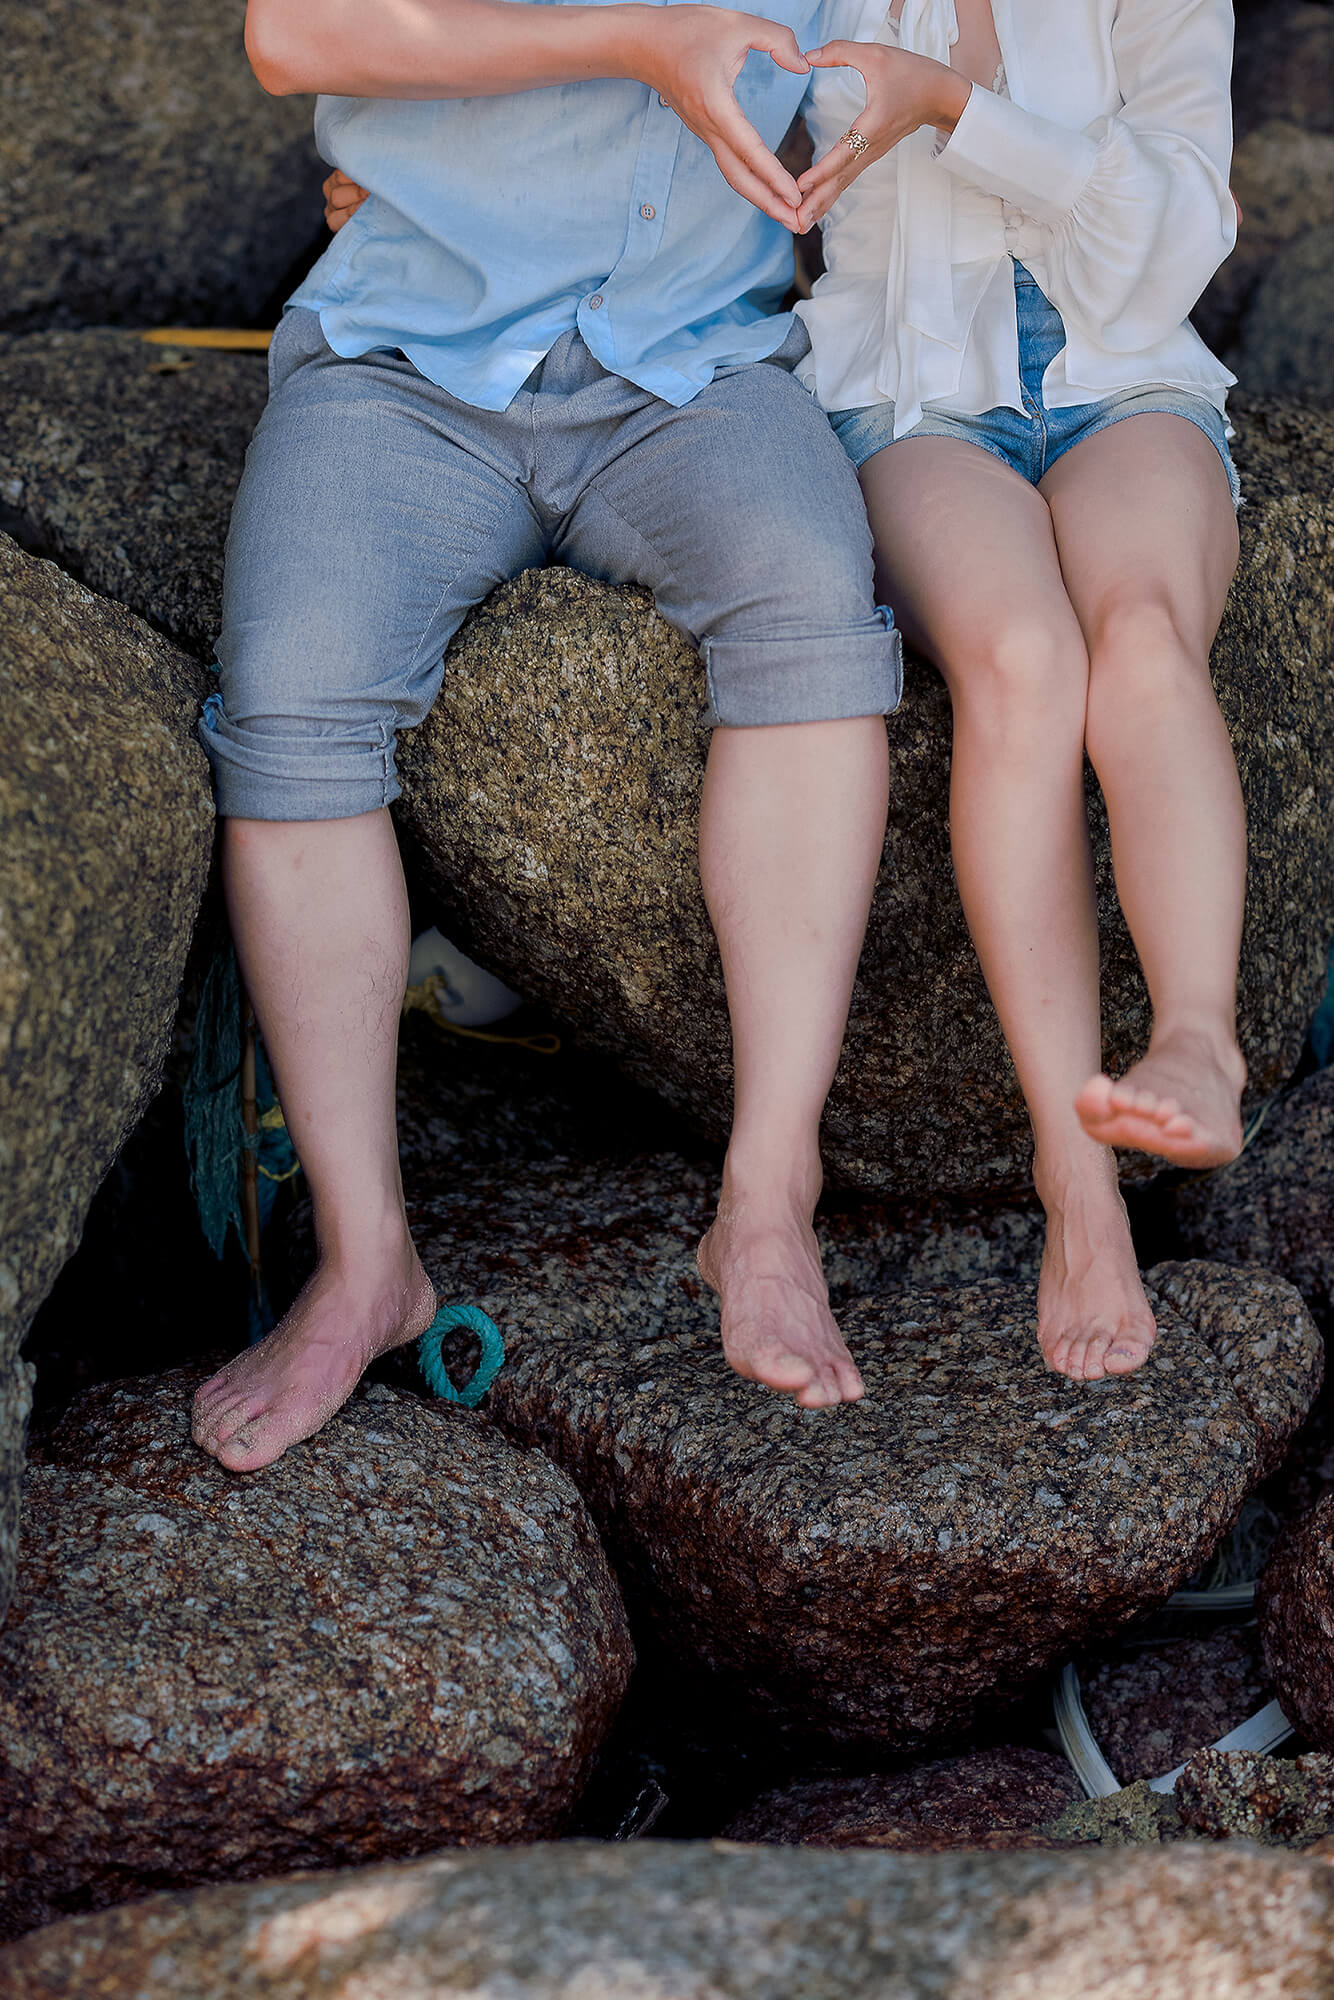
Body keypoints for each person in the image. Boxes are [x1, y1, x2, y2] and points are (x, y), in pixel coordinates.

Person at [190, 0, 907, 1473]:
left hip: (698, 371)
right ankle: (363, 1261)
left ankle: (763, 1206)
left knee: (812, 608)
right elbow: (294, 32)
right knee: (291, 694)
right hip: (406, 359)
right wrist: (636, 40)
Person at [787, 0, 1246, 1381]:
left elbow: (1172, 238)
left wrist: (953, 111)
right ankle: (1076, 1176)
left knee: (1143, 636)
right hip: (904, 391)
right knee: (1024, 662)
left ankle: (1195, 1045)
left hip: (1126, 371)